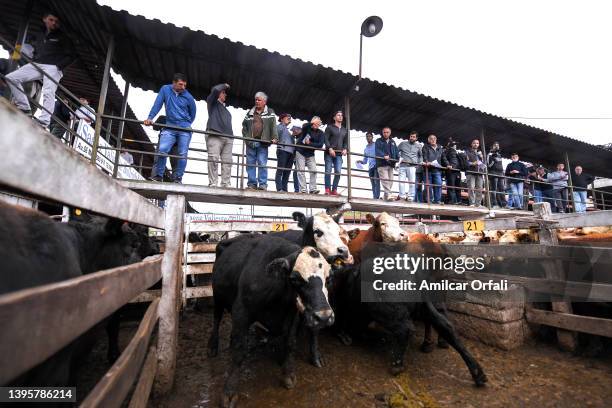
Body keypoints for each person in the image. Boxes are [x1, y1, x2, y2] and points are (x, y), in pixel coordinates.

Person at [5, 11, 76, 128]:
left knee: (48, 92)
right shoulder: (40, 35)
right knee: (11, 78)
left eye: (56, 21)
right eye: (51, 19)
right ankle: (24, 107)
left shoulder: (63, 37)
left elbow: (72, 55)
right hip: (37, 63)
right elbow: (34, 49)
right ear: (44, 19)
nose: (53, 23)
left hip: (53, 67)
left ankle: (44, 121)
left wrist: (59, 66)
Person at [144, 73, 197, 183]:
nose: (183, 87)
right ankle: (158, 176)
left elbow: (193, 114)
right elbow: (157, 104)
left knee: (182, 154)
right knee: (162, 150)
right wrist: (150, 118)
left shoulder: (189, 97)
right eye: (180, 84)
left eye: (184, 85)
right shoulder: (165, 89)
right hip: (169, 127)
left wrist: (184, 123)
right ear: (173, 83)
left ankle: (178, 178)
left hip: (184, 128)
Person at [242, 91, 277, 190]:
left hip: (263, 143)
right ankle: (252, 184)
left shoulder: (270, 112)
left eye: (259, 100)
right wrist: (246, 139)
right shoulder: (249, 113)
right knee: (250, 164)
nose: (257, 102)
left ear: (264, 102)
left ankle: (262, 184)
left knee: (262, 163)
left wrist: (275, 137)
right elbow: (244, 127)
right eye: (256, 100)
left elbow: (273, 126)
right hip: (251, 142)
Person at [206, 83, 233, 188]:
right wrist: (225, 85)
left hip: (228, 138)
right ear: (218, 94)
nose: (225, 95)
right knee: (213, 158)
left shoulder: (227, 111)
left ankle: (225, 183)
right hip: (215, 134)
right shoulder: (212, 103)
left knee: (227, 162)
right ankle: (213, 182)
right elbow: (215, 90)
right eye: (223, 93)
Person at [295, 117, 324, 194]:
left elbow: (320, 145)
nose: (316, 125)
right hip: (300, 151)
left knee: (314, 171)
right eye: (315, 123)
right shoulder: (307, 127)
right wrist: (312, 122)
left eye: (318, 124)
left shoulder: (321, 133)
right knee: (301, 171)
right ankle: (303, 190)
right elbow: (304, 127)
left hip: (310, 154)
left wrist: (310, 144)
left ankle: (312, 189)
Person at [323, 111, 348, 195]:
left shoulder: (345, 130)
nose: (340, 117)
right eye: (338, 115)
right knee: (328, 170)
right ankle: (327, 189)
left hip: (339, 154)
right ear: (334, 118)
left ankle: (334, 190)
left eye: (341, 115)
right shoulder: (329, 127)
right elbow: (325, 139)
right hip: (329, 153)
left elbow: (345, 142)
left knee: (338, 171)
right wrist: (330, 148)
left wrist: (345, 149)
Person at [421, 134, 449, 204]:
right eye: (431, 138)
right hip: (428, 169)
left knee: (438, 185)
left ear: (436, 140)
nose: (433, 140)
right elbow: (424, 156)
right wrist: (427, 162)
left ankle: (437, 200)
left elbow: (444, 158)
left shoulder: (440, 148)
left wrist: (448, 164)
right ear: (428, 140)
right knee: (428, 186)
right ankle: (429, 200)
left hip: (437, 170)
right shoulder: (425, 147)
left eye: (434, 138)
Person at [375, 127, 399, 201]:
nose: (386, 134)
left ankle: (385, 197)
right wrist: (383, 156)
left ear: (390, 133)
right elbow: (377, 151)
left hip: (391, 165)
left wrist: (398, 159)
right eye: (384, 132)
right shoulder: (378, 141)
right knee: (385, 180)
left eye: (387, 132)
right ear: (382, 133)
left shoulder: (393, 142)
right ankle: (389, 195)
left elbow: (396, 152)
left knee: (391, 181)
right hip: (382, 164)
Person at [397, 131, 422, 201]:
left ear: (416, 138)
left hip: (412, 166)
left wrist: (419, 163)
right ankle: (402, 196)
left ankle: (410, 197)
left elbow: (421, 156)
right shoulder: (402, 143)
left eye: (413, 137)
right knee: (401, 182)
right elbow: (395, 151)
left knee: (412, 183)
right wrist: (399, 158)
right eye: (411, 136)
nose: (412, 138)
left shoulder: (419, 146)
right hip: (402, 166)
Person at [275, 113, 295, 192]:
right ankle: (279, 188)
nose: (289, 119)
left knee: (287, 172)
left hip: (290, 152)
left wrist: (294, 135)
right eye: (287, 117)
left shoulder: (288, 130)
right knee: (280, 170)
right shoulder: (279, 127)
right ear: (282, 118)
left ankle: (284, 188)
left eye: (290, 118)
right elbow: (275, 136)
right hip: (282, 150)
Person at [357, 132, 380, 199]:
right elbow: (365, 160)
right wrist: (360, 161)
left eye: (370, 136)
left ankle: (376, 197)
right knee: (372, 183)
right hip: (370, 167)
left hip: (376, 165)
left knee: (376, 182)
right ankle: (374, 196)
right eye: (367, 136)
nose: (368, 137)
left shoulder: (376, 145)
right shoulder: (366, 148)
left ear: (372, 137)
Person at [465, 139, 485, 207]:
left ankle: (478, 204)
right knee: (471, 188)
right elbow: (465, 162)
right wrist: (472, 163)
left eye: (477, 143)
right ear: (471, 144)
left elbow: (483, 164)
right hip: (471, 172)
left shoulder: (480, 153)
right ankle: (472, 203)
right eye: (474, 143)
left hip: (479, 173)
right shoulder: (467, 152)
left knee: (479, 189)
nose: (476, 144)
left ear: (478, 144)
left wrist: (482, 160)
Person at [487, 142, 507, 209]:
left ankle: (503, 204)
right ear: (492, 147)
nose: (496, 146)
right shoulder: (489, 154)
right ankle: (494, 204)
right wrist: (493, 160)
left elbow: (501, 165)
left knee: (502, 189)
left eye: (497, 145)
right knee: (494, 189)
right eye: (495, 145)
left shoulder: (499, 155)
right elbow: (488, 165)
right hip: (493, 173)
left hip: (500, 173)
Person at [444, 138, 462, 204]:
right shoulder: (446, 151)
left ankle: (459, 201)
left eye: (455, 144)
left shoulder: (458, 152)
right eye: (453, 144)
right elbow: (444, 158)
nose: (455, 145)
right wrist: (448, 165)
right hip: (450, 171)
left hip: (457, 171)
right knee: (451, 186)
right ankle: (452, 200)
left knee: (458, 187)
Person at [291, 125, 302, 192]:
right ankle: (298, 189)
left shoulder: (303, 135)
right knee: (297, 173)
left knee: (298, 173)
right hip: (296, 157)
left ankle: (298, 189)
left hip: (301, 157)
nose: (293, 132)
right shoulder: (297, 137)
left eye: (294, 131)